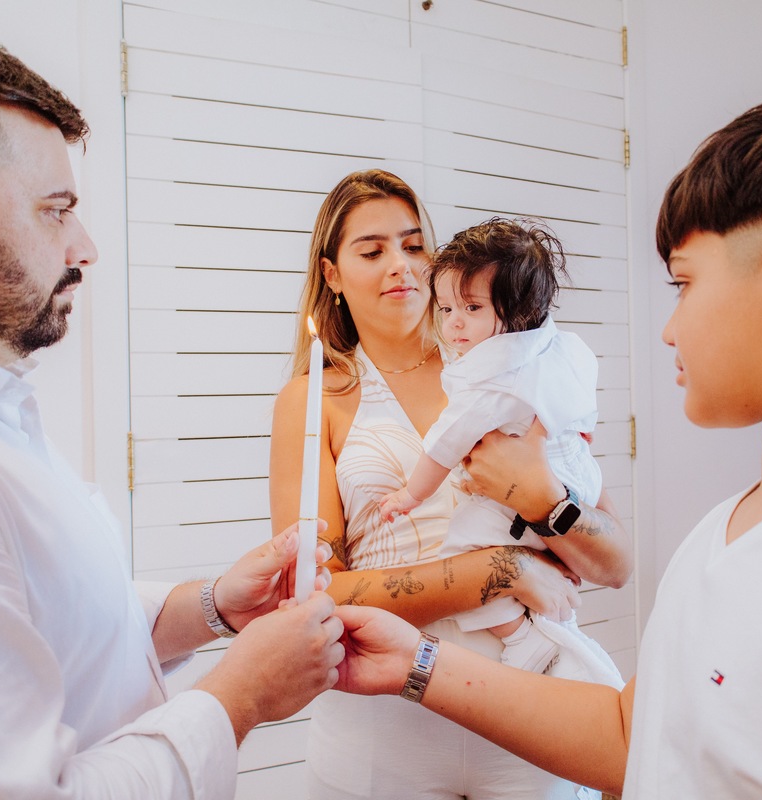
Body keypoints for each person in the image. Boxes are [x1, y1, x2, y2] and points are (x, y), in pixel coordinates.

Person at [330, 86, 762, 798]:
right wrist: (418, 662)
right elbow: (634, 737)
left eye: (685, 284)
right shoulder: (720, 538)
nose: (669, 328)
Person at [0, 8, 344, 799]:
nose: (85, 246)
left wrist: (207, 608)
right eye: (55, 210)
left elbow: (47, 619)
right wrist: (242, 697)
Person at [269, 170, 633, 799]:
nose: (401, 267)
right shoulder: (313, 402)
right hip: (383, 723)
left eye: (414, 246)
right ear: (331, 274)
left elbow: (618, 561)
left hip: (528, 708)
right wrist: (500, 570)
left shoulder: (508, 370)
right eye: (373, 250)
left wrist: (546, 500)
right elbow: (317, 592)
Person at [378, 218, 622, 685]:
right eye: (447, 307)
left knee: (464, 541)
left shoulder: (490, 379)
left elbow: (445, 446)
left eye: (471, 307)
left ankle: (520, 637)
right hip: (575, 475)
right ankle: (553, 628)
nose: (453, 322)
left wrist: (410, 496)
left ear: (519, 312)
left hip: (543, 492)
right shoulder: (557, 350)